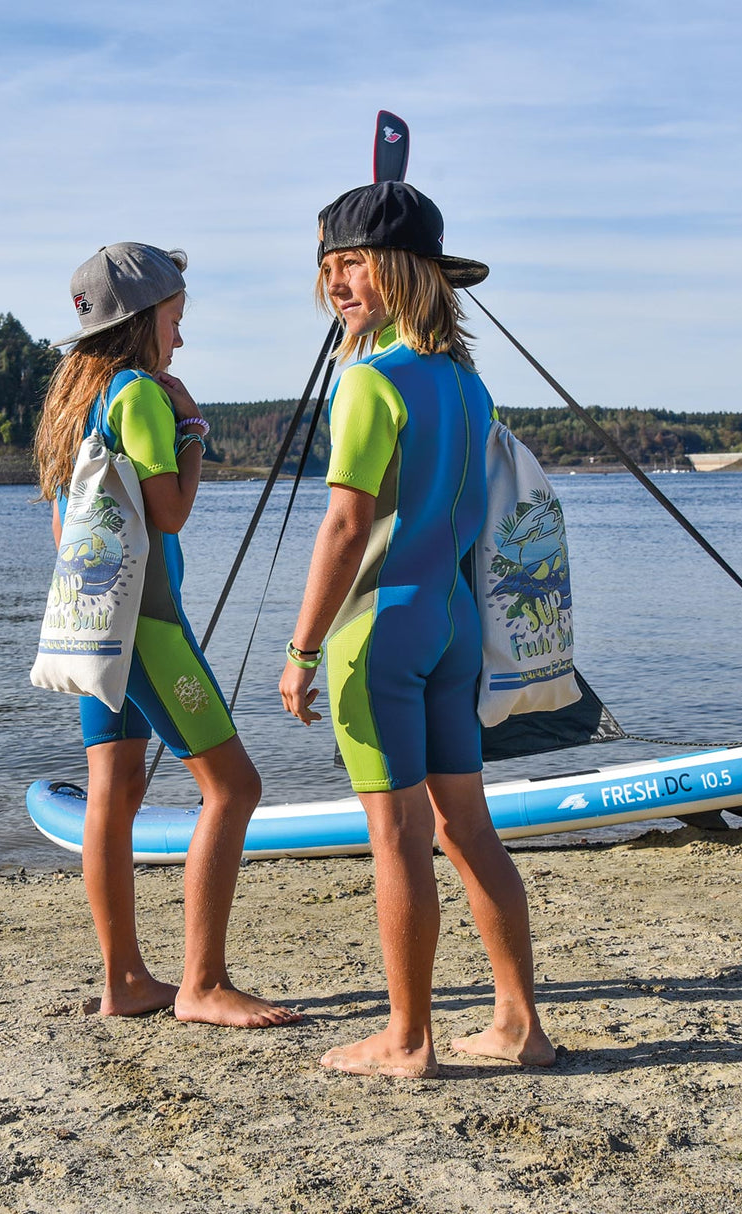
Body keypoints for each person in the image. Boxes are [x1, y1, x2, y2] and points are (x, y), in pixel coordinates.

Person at [278, 184, 556, 1076]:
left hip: (381, 629)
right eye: (328, 268)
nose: (338, 284)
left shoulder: (368, 382)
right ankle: (520, 1025)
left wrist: (302, 648)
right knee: (466, 828)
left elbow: (346, 528)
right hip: (456, 626)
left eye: (354, 263)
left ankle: (407, 1039)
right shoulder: (468, 384)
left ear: (401, 271)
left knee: (398, 836)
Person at [36, 242, 299, 1028]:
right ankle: (202, 984)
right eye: (175, 322)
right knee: (235, 787)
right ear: (142, 320)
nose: (179, 340)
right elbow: (172, 512)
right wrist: (192, 429)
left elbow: (64, 532)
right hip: (149, 626)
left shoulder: (69, 406)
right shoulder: (142, 396)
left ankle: (124, 981)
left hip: (92, 629)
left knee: (114, 794)